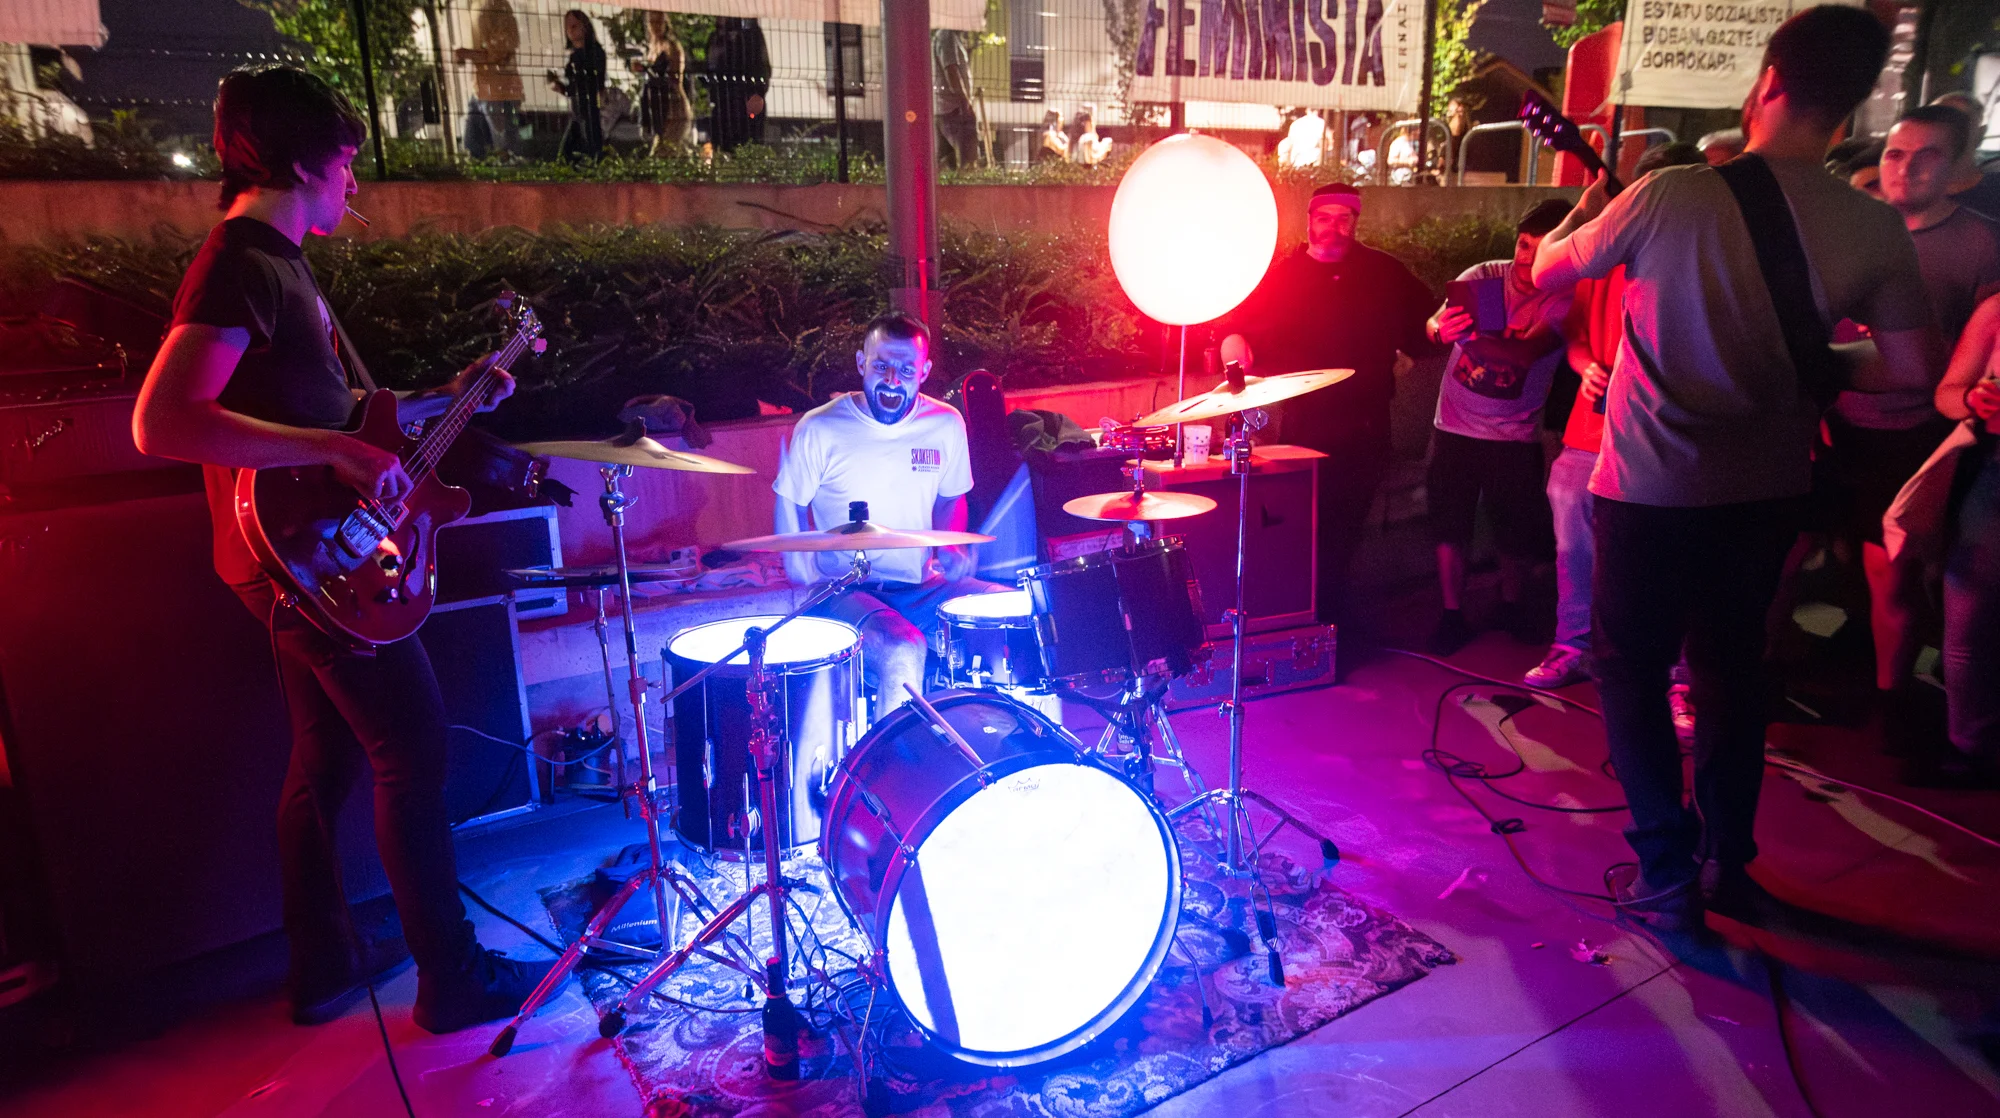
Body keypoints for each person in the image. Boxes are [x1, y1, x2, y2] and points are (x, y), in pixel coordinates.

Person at [129, 66, 553, 1033]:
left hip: (298, 558)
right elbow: (163, 421)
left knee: (325, 759)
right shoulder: (241, 263)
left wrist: (449, 397)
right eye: (347, 161)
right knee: (414, 750)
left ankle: (323, 964)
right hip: (308, 565)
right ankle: (453, 978)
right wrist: (332, 452)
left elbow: (333, 413)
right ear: (302, 163)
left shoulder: (278, 264)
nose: (353, 182)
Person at [1531, 7, 1934, 931]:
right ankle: (1729, 865)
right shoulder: (1874, 226)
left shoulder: (1671, 193)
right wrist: (1812, 364)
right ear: (1853, 102)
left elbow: (1549, 270)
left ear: (1768, 82)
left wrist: (1591, 205)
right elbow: (1912, 370)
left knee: (1632, 672)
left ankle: (1665, 873)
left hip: (1647, 489)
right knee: (1730, 675)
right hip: (1765, 492)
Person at [1216, 183, 1439, 669]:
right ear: (1309, 221)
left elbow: (1426, 329)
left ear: (1355, 222)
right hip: (1306, 425)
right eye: (1325, 218)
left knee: (1346, 529)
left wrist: (1440, 329)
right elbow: (1238, 325)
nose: (1334, 228)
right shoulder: (1282, 276)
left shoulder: (1384, 273)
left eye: (1344, 218)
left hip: (1367, 423)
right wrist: (1234, 342)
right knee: (1305, 527)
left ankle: (1336, 627)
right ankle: (1308, 624)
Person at [1834, 107, 2000, 725]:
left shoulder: (1982, 243)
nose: (1906, 168)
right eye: (1896, 154)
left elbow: (1984, 348)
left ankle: (1891, 706)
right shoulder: (1853, 231)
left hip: (1915, 432)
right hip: (1833, 422)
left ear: (1957, 167)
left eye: (1927, 156)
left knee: (1893, 573)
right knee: (1808, 554)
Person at [1527, 143, 1707, 690]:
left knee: (1676, 556)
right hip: (1592, 430)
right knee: (1573, 534)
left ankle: (1680, 673)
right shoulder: (1605, 254)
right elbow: (1574, 327)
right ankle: (1573, 643)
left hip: (1671, 433)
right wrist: (1585, 366)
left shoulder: (1706, 260)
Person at [771, 313, 1001, 712]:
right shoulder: (820, 428)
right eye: (882, 366)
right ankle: (893, 754)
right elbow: (789, 499)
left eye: (906, 370)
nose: (893, 380)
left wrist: (950, 547)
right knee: (902, 647)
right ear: (862, 363)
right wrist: (796, 557)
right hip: (844, 592)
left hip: (923, 587)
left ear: (923, 372)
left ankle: (1007, 745)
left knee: (1017, 612)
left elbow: (950, 499)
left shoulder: (945, 424)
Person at [1422, 199, 1575, 655]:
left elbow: (1522, 355)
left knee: (1514, 529)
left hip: (1514, 434)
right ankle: (1452, 614)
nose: (1527, 258)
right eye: (1523, 244)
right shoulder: (1487, 276)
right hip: (1454, 426)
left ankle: (1511, 606)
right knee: (1450, 525)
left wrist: (1469, 338)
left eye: (1541, 247)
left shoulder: (1563, 295)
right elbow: (1435, 322)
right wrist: (1440, 329)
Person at [1932, 294, 2000, 785]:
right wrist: (1973, 399)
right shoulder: (1996, 310)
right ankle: (1970, 746)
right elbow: (1947, 393)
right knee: (1968, 614)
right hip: (1995, 475)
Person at [453, 0, 521, 158]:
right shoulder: (475, 6)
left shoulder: (496, 5)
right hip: (480, 88)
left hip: (499, 91)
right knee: (472, 147)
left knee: (502, 148)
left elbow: (502, 51)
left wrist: (467, 54)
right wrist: (464, 55)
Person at [632, 11, 693, 157]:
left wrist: (650, 70)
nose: (656, 26)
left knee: (665, 154)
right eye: (652, 21)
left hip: (674, 108)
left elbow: (675, 79)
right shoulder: (652, 46)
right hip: (658, 107)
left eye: (659, 21)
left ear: (665, 22)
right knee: (666, 154)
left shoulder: (672, 46)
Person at [546, 9, 604, 162]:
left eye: (574, 26)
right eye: (567, 27)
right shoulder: (574, 55)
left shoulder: (594, 53)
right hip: (577, 111)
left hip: (589, 111)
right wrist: (562, 88)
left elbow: (590, 83)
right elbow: (575, 86)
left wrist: (566, 88)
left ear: (585, 26)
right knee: (569, 154)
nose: (570, 31)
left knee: (588, 151)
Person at [705, 17, 770, 153]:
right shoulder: (717, 38)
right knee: (726, 145)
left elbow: (763, 69)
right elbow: (710, 66)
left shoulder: (751, 36)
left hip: (746, 99)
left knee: (749, 143)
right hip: (725, 101)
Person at [1931, 92, 2000, 219]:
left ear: (1981, 133)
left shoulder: (1995, 189)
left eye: (1958, 122)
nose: (1944, 130)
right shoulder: (1907, 184)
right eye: (1935, 120)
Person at [934, 29, 978, 170]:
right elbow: (951, 71)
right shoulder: (946, 36)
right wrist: (965, 102)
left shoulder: (950, 37)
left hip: (950, 108)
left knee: (948, 158)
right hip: (954, 109)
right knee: (965, 160)